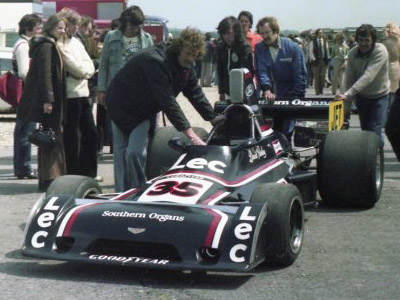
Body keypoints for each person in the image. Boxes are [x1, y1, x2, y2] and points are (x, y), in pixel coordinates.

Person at [105, 27, 223, 192]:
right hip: (120, 105)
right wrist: (191, 135)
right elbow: (168, 102)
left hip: (143, 110)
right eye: (188, 53)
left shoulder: (186, 67)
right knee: (121, 154)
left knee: (135, 153)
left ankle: (137, 190)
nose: (191, 59)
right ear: (179, 48)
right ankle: (121, 194)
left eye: (195, 55)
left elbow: (194, 92)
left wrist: (212, 117)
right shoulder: (156, 61)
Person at [16, 14, 67, 192]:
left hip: (51, 99)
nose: (63, 31)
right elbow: (45, 75)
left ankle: (50, 177)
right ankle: (50, 178)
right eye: (60, 27)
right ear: (51, 27)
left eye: (64, 28)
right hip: (49, 101)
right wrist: (48, 99)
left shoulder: (48, 44)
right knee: (50, 138)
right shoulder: (46, 46)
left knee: (49, 138)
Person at [97, 5, 153, 155]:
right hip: (116, 93)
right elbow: (104, 65)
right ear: (124, 22)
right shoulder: (111, 37)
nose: (132, 28)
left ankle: (137, 176)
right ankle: (121, 179)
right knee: (119, 144)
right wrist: (101, 89)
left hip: (139, 95)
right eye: (130, 24)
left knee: (138, 147)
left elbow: (153, 66)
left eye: (136, 25)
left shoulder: (147, 39)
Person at [57, 8, 98, 179]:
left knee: (90, 133)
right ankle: (73, 172)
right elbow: (74, 65)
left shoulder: (76, 42)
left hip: (83, 93)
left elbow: (87, 63)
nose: (76, 27)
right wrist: (86, 72)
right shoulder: (60, 43)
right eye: (74, 24)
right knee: (72, 136)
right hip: (71, 95)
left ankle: (88, 172)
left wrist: (85, 72)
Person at [255, 16, 307, 140]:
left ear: (275, 31)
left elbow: (299, 73)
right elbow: (261, 71)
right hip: (273, 92)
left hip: (292, 92)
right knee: (276, 129)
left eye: (267, 33)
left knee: (289, 129)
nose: (264, 36)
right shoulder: (259, 48)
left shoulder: (293, 47)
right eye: (262, 33)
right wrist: (267, 89)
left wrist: (297, 95)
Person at [336, 24, 389, 144]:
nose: (364, 44)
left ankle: (374, 158)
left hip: (380, 96)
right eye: (361, 40)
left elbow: (369, 75)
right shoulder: (352, 53)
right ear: (356, 40)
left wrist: (349, 93)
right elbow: (350, 79)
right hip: (362, 97)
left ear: (373, 40)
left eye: (367, 40)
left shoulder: (380, 50)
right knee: (365, 132)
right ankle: (370, 157)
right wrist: (346, 105)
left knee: (375, 130)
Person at [12, 14, 42, 179]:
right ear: (28, 28)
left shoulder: (21, 44)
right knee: (26, 131)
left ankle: (21, 167)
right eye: (37, 27)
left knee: (22, 130)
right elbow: (24, 72)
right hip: (27, 93)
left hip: (25, 92)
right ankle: (24, 168)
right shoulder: (23, 46)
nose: (39, 30)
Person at [216, 16, 254, 101]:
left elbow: (248, 72)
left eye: (229, 33)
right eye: (224, 33)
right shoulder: (220, 48)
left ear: (236, 32)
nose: (226, 36)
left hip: (243, 91)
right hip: (227, 91)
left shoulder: (244, 47)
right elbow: (220, 70)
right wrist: (221, 91)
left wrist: (246, 92)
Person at [382, 22, 400, 109]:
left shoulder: (385, 43)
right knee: (395, 90)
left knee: (388, 91)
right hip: (397, 66)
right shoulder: (398, 41)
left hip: (387, 66)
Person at [310, 28, 329, 95]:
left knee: (322, 77)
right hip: (316, 61)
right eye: (320, 33)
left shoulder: (325, 41)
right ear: (317, 34)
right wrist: (314, 59)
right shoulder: (313, 41)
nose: (321, 34)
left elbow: (327, 50)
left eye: (322, 33)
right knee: (316, 77)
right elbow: (311, 52)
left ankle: (321, 90)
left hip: (324, 60)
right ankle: (317, 91)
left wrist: (327, 59)